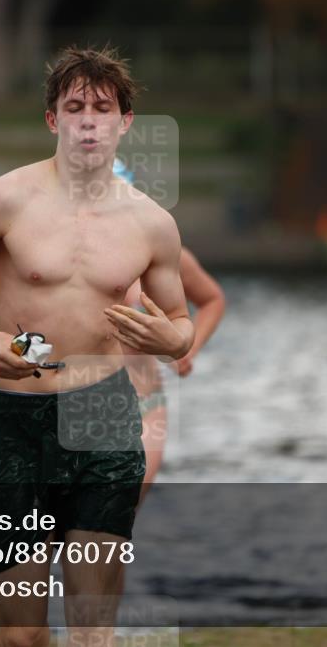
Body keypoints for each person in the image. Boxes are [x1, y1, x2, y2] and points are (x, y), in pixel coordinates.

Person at [0, 46, 194, 647]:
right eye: (74, 107)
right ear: (52, 120)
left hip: (103, 415)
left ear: (124, 123)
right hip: (15, 418)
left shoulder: (152, 224)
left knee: (93, 630)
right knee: (21, 634)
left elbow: (179, 320)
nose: (88, 120)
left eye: (101, 107)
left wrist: (173, 338)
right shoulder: (5, 199)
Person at [112, 159, 226, 503]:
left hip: (144, 408)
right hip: (76, 406)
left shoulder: (164, 255)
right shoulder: (65, 259)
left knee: (113, 528)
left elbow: (212, 299)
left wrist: (189, 346)